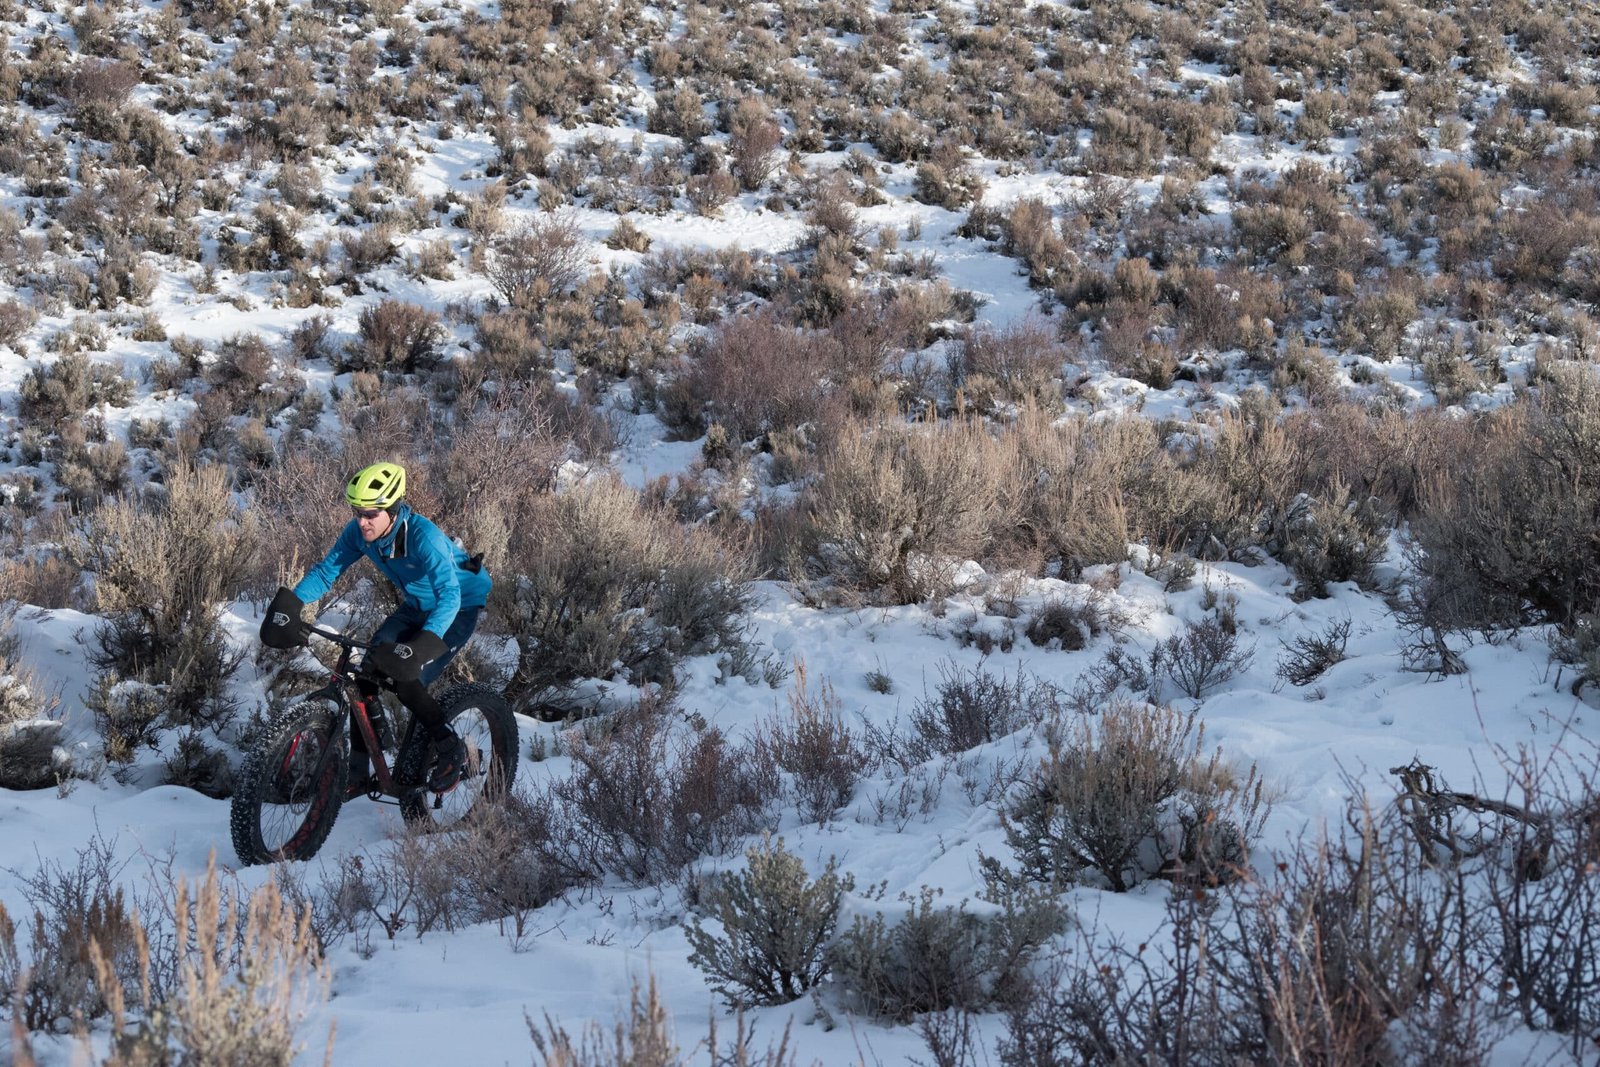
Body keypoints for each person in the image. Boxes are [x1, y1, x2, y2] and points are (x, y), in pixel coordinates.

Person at [262, 461, 491, 793]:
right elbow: (327, 572)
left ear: (394, 510)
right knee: (366, 674)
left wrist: (425, 642)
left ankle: (450, 748)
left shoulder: (423, 537)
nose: (361, 521)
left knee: (406, 677)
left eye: (371, 513)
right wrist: (293, 604)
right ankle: (358, 771)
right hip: (417, 604)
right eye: (357, 511)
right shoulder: (359, 533)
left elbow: (449, 595)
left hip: (458, 607)